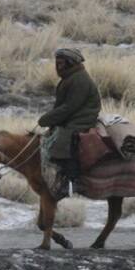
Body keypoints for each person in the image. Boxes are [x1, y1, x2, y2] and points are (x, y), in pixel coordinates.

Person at [37, 47, 101, 193]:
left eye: (61, 63)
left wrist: (47, 119)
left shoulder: (79, 80)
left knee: (63, 142)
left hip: (82, 119)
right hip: (73, 117)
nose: (57, 67)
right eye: (57, 63)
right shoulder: (71, 77)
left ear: (70, 63)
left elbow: (69, 107)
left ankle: (72, 181)